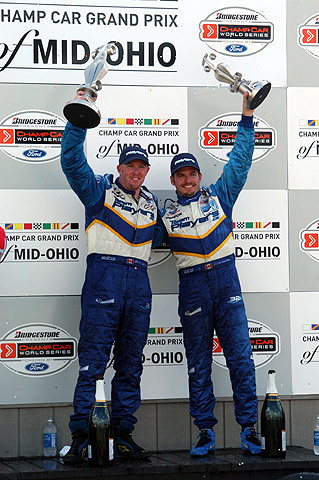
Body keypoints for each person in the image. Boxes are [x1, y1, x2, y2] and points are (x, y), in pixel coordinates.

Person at [60, 92, 160, 463]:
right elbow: (71, 162)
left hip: (139, 282)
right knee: (93, 361)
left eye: (141, 167)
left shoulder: (151, 203)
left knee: (132, 363)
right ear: (119, 168)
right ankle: (83, 435)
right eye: (129, 166)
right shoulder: (99, 190)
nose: (135, 172)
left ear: (147, 171)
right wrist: (78, 119)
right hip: (104, 277)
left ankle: (123, 433)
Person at [160, 92, 262, 456]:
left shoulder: (220, 195)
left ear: (200, 176)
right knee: (198, 363)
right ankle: (205, 431)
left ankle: (249, 429)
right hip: (192, 289)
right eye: (181, 176)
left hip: (226, 280)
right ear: (173, 180)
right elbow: (131, 232)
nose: (187, 180)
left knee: (240, 358)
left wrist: (247, 117)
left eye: (192, 174)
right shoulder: (165, 216)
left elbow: (240, 160)